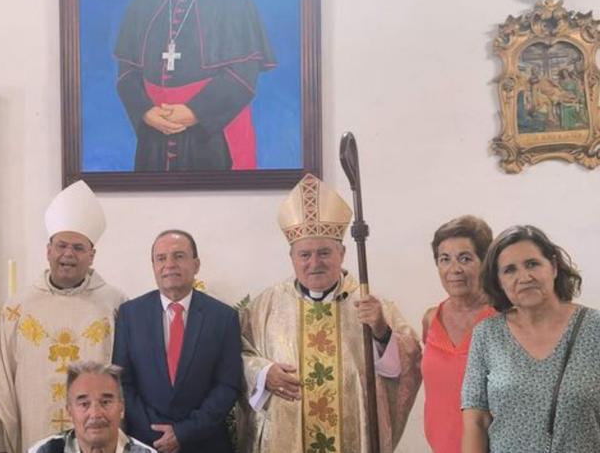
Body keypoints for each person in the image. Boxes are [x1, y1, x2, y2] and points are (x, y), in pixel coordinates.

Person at [239, 173, 422, 453]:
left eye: (324, 253)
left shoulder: (372, 305)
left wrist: (382, 332)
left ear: (343, 253)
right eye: (304, 255)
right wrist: (264, 374)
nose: (314, 263)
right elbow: (237, 355)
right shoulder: (265, 307)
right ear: (292, 258)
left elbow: (409, 366)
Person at [0, 180, 127, 453]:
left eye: (78, 248)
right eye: (61, 245)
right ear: (48, 250)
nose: (68, 254)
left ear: (92, 255)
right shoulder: (18, 307)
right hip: (34, 432)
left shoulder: (115, 305)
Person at [114, 0, 276, 172]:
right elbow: (126, 72)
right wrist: (145, 112)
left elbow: (243, 75)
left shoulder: (235, 2)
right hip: (155, 135)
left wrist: (195, 112)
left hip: (213, 137)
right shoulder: (142, 4)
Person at [462, 225, 600, 452]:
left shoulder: (594, 328)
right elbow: (476, 421)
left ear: (553, 267)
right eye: (509, 270)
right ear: (498, 281)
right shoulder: (487, 335)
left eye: (532, 264)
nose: (524, 277)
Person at [112, 229, 242, 453]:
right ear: (153, 266)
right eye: (161, 258)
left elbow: (227, 385)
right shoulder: (130, 315)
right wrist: (155, 434)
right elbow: (122, 381)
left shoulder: (223, 317)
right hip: (146, 443)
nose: (169, 264)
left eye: (179, 256)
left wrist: (184, 433)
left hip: (205, 442)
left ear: (196, 264)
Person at [421, 215, 496, 453]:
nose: (454, 269)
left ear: (485, 262)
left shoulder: (504, 320)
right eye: (445, 259)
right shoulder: (431, 318)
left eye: (465, 258)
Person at [28, 361, 156, 453]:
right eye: (84, 404)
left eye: (105, 402)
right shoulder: (43, 450)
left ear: (121, 408)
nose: (95, 414)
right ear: (69, 412)